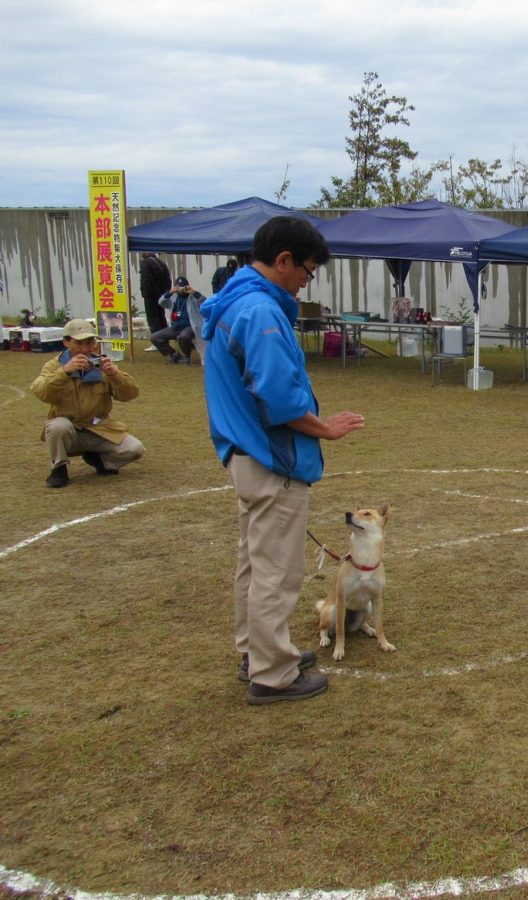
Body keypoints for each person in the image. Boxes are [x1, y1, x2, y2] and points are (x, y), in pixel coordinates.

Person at [200, 216, 364, 705]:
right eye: (306, 271)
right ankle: (272, 673)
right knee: (277, 570)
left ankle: (257, 651)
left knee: (254, 564)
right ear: (284, 260)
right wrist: (325, 428)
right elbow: (280, 399)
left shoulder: (233, 303)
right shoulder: (261, 312)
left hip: (245, 456)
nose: (304, 282)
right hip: (271, 461)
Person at [30, 318, 145, 488]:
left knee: (135, 449)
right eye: (78, 343)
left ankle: (100, 460)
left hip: (98, 428)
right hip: (68, 428)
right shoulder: (54, 366)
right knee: (57, 427)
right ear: (66, 342)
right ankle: (59, 468)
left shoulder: (102, 363)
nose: (85, 348)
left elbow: (129, 395)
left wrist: (115, 375)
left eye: (90, 342)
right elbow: (40, 392)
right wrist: (65, 372)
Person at [152, 276, 202, 364]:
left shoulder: (193, 297)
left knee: (183, 336)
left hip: (189, 326)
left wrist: (194, 293)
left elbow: (205, 302)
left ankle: (186, 355)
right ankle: (173, 354)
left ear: (187, 286)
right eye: (179, 287)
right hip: (175, 326)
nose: (181, 290)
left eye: (183, 287)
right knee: (155, 337)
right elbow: (161, 302)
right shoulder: (173, 297)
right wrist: (170, 292)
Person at [138, 253, 171, 333]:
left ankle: (156, 340)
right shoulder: (162, 263)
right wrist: (164, 293)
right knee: (161, 317)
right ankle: (164, 336)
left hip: (150, 295)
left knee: (152, 318)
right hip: (161, 295)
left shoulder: (145, 263)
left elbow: (146, 280)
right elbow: (168, 280)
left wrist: (146, 293)